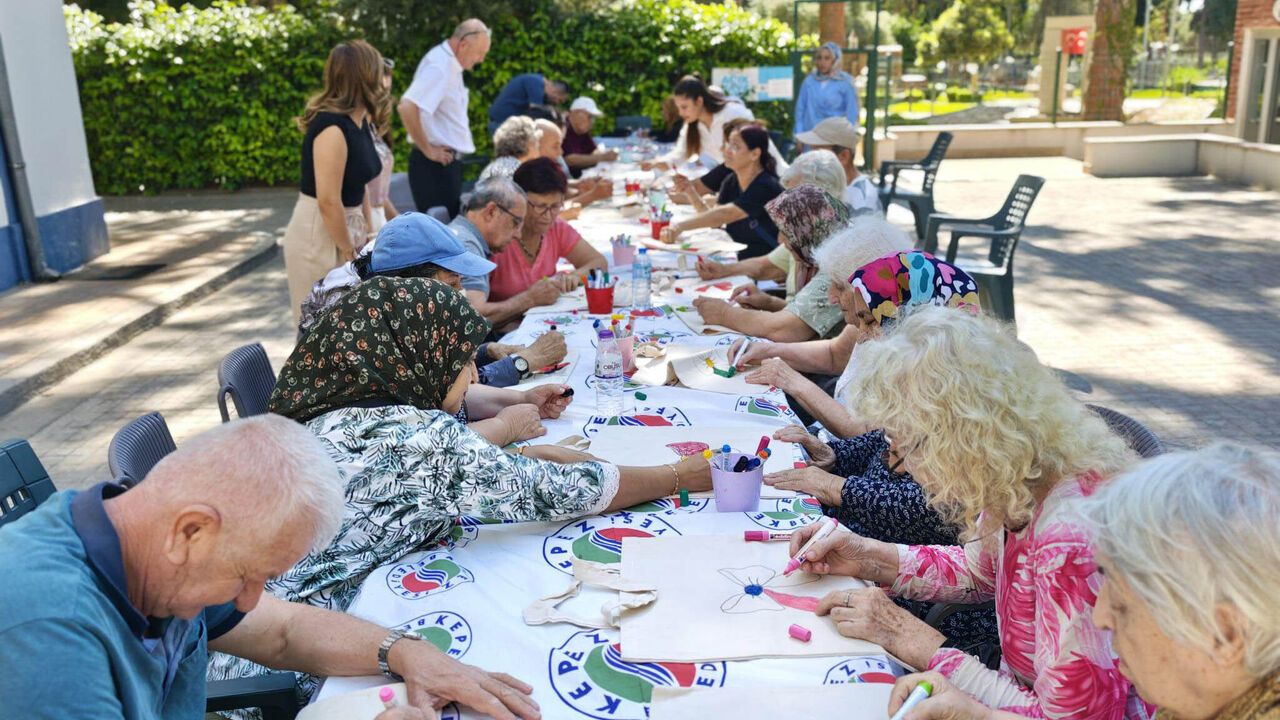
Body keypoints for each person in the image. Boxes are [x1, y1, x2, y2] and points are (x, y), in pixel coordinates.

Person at [211, 277, 714, 698]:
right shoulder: (415, 437)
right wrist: (678, 476)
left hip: (251, 643)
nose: (473, 373)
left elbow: (413, 484)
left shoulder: (340, 409)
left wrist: (519, 456)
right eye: (460, 360)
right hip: (276, 676)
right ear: (416, 360)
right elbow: (568, 490)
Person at [0, 415, 539, 720]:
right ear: (191, 530)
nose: (252, 598)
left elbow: (284, 631)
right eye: (247, 575)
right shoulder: (50, 633)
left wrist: (408, 652)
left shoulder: (144, 543)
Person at [784, 305, 1147, 719]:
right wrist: (867, 555)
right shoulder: (1018, 479)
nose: (901, 467)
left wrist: (914, 640)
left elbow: (1067, 718)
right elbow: (980, 573)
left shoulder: (1069, 540)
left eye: (906, 448)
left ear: (961, 438)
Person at [886, 442, 1280, 720]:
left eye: (1123, 604)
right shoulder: (1198, 701)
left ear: (1225, 635)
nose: (1102, 616)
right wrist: (979, 715)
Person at [298, 211, 565, 389]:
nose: (459, 293)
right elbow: (444, 400)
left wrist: (487, 352)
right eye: (451, 284)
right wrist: (524, 362)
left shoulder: (388, 297)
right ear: (411, 283)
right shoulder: (365, 322)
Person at [735, 248, 977, 436]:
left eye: (868, 321)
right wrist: (770, 351)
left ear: (916, 314)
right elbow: (834, 354)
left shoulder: (931, 376)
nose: (860, 335)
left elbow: (866, 436)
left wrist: (791, 381)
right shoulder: (887, 327)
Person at [691, 196, 910, 345]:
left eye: (785, 232)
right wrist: (769, 302)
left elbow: (787, 329)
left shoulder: (844, 268)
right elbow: (820, 336)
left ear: (805, 230)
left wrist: (723, 314)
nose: (779, 239)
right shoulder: (816, 247)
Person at [283, 40, 387, 322]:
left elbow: (361, 183)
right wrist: (348, 250)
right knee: (321, 328)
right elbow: (329, 200)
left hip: (347, 227)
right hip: (320, 232)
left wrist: (368, 234)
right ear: (365, 75)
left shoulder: (360, 121)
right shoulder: (332, 128)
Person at [696, 149, 849, 303]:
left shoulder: (834, 256)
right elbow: (766, 266)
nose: (786, 203)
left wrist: (725, 313)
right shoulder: (806, 233)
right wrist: (723, 270)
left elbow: (798, 317)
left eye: (797, 198)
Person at [399, 19, 490, 220]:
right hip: (434, 167)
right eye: (480, 53)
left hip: (443, 164)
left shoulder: (448, 64)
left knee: (448, 228)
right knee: (441, 232)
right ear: (463, 45)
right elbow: (407, 106)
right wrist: (428, 150)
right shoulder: (439, 66)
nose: (481, 59)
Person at [488, 158, 607, 306]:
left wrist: (575, 277)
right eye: (540, 206)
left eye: (555, 206)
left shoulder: (556, 228)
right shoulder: (496, 236)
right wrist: (527, 301)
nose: (548, 216)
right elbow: (474, 309)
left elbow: (598, 262)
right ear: (518, 200)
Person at [659, 124, 783, 260]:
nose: (727, 150)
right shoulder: (732, 180)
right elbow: (714, 221)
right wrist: (691, 192)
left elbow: (725, 214)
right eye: (728, 144)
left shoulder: (765, 186)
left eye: (735, 146)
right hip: (740, 257)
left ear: (755, 154)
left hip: (767, 263)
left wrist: (679, 226)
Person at [647, 75, 755, 169]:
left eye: (684, 107)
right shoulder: (692, 125)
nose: (680, 113)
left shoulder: (732, 113)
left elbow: (753, 151)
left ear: (699, 101)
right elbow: (680, 154)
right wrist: (654, 163)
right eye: (678, 108)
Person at [795, 116, 881, 213]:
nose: (811, 157)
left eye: (818, 152)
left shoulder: (861, 199)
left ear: (844, 156)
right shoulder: (834, 186)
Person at [533, 118, 612, 215]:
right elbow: (549, 214)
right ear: (534, 147)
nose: (561, 152)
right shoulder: (528, 174)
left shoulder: (544, 169)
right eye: (555, 146)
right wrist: (592, 195)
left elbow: (557, 196)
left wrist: (579, 190)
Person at [794, 42, 861, 137]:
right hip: (810, 136)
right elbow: (800, 110)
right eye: (819, 58)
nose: (822, 62)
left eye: (827, 58)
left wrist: (848, 137)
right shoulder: (809, 81)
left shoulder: (845, 82)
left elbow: (852, 112)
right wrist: (799, 134)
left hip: (835, 136)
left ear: (835, 60)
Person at [366, 57, 399, 236]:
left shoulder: (375, 129)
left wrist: (403, 224)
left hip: (378, 220)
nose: (384, 99)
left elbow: (380, 195)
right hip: (362, 223)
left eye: (387, 92)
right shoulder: (353, 130)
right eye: (379, 92)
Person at [487, 73, 569, 134]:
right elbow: (536, 111)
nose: (557, 103)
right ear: (554, 92)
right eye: (560, 100)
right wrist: (555, 113)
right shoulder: (536, 83)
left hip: (505, 124)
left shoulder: (536, 81)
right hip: (502, 124)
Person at [562, 97, 618, 178]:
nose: (592, 122)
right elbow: (569, 160)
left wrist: (604, 155)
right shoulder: (564, 128)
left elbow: (593, 150)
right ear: (576, 113)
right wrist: (603, 157)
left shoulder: (581, 130)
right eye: (590, 117)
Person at [478, 115, 541, 182]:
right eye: (536, 141)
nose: (538, 145)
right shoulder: (517, 173)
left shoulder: (497, 167)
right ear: (528, 144)